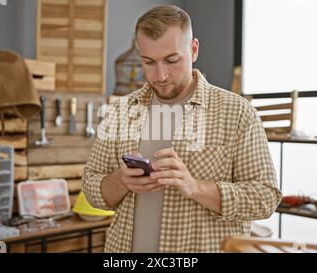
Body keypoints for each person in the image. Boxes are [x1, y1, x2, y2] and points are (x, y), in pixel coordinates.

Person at [82, 4, 281, 253]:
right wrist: (120, 181)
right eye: (149, 62)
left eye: (172, 60)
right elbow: (91, 187)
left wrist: (195, 186)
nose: (161, 75)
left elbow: (265, 197)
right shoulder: (121, 112)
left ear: (193, 49)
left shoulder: (238, 112)